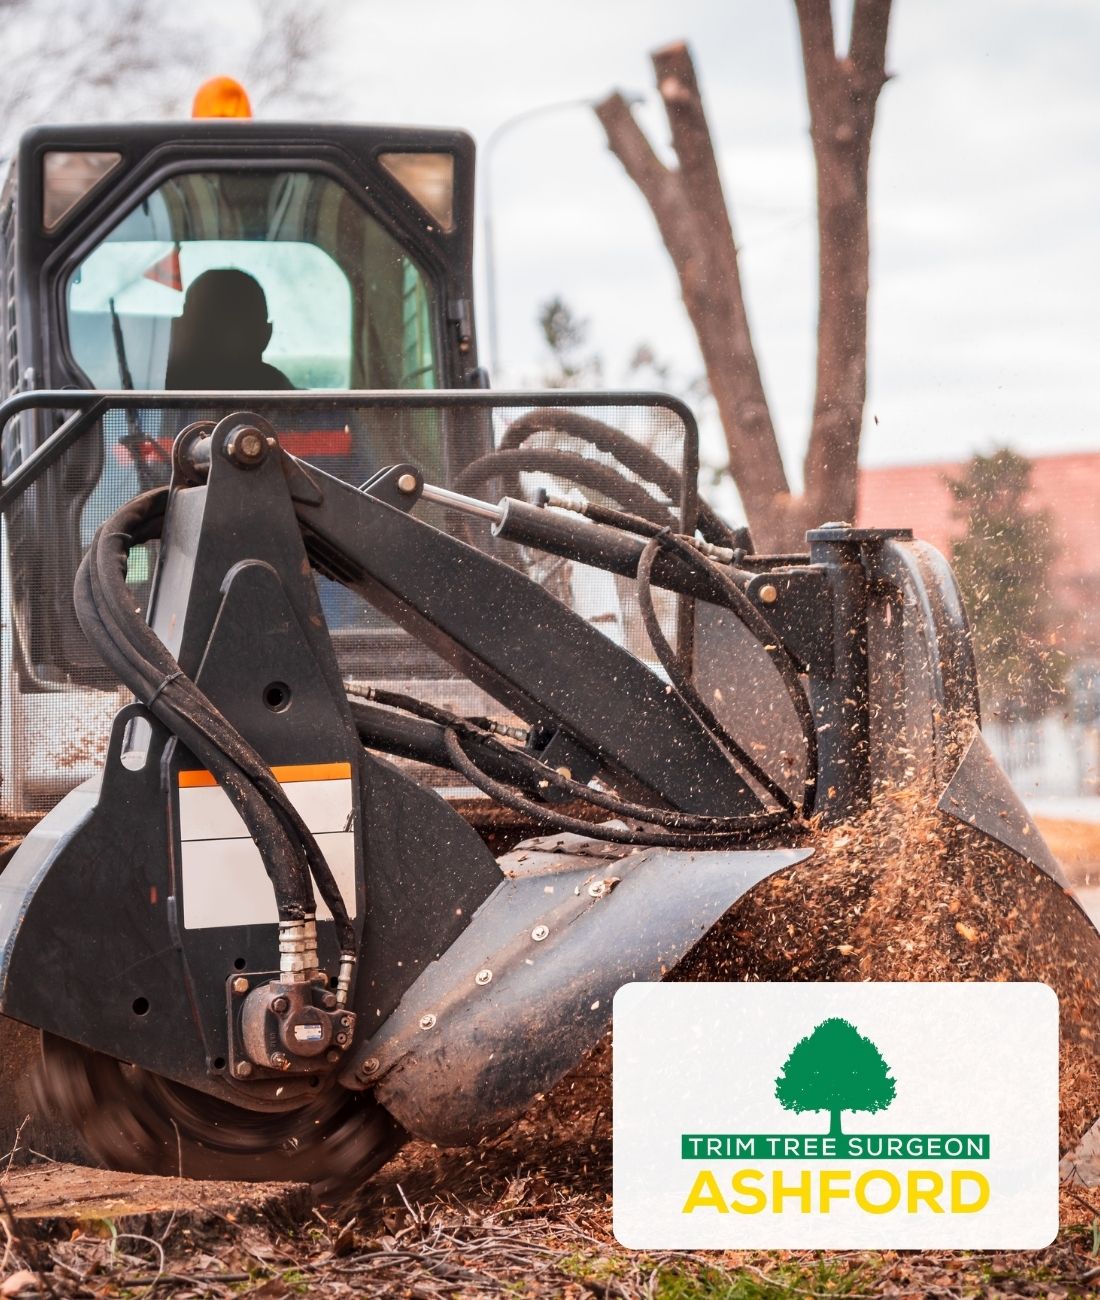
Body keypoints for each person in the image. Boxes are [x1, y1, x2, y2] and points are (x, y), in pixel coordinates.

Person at [165, 268, 294, 390]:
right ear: (266, 334)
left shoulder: (156, 390)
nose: (214, 342)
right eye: (207, 329)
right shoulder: (290, 402)